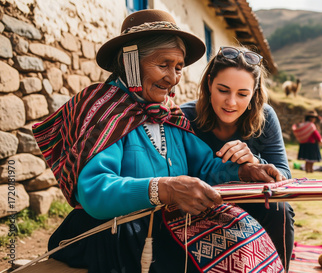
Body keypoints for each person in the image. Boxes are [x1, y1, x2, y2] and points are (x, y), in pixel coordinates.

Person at [32, 10, 285, 272]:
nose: (173, 78)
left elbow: (208, 167)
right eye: (163, 65)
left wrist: (243, 170)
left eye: (178, 67)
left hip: (165, 226)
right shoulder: (104, 111)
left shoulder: (170, 117)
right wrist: (164, 189)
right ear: (130, 62)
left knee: (241, 238)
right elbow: (94, 191)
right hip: (115, 232)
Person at [180, 45, 294, 270]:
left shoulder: (266, 117)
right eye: (223, 90)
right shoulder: (185, 117)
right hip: (203, 207)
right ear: (209, 83)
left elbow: (285, 177)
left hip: (252, 205)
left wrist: (254, 162)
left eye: (242, 94)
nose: (231, 102)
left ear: (254, 93)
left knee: (281, 208)